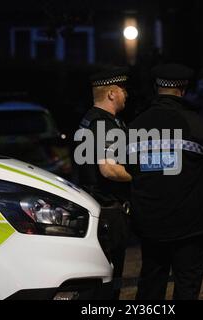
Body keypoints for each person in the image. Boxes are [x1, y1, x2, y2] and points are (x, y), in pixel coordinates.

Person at [127, 64, 203, 300]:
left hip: (151, 225)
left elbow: (126, 169)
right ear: (183, 90)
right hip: (192, 226)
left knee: (151, 285)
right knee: (187, 287)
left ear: (156, 88)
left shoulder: (134, 128)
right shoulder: (201, 126)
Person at [76, 67, 132, 299]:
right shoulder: (103, 124)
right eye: (122, 89)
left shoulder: (92, 119)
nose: (126, 94)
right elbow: (108, 168)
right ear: (111, 93)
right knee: (108, 286)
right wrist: (140, 177)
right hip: (108, 212)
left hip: (97, 210)